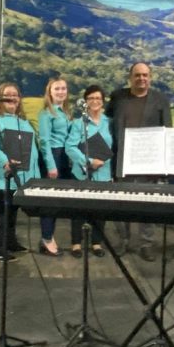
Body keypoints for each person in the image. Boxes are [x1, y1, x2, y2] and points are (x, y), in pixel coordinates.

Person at [106, 61, 172, 261]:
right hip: (121, 159)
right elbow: (106, 122)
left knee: (147, 204)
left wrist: (164, 165)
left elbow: (167, 130)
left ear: (150, 78)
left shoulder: (161, 100)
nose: (141, 78)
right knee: (121, 204)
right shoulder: (118, 97)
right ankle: (123, 240)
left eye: (145, 75)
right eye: (137, 75)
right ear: (130, 78)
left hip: (149, 162)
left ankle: (146, 244)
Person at [0, 82, 40, 261]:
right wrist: (4, 161)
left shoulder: (22, 121)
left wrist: (33, 177)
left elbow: (31, 151)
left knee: (11, 210)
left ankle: (9, 242)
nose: (11, 98)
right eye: (7, 95)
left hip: (17, 177)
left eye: (15, 95)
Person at [65, 84, 113, 258]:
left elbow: (116, 146)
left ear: (103, 101)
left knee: (100, 211)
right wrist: (89, 162)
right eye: (91, 98)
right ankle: (76, 243)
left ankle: (96, 242)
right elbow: (70, 147)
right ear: (85, 101)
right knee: (78, 209)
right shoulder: (79, 123)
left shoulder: (110, 123)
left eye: (98, 98)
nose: (94, 101)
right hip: (82, 173)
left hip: (105, 173)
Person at [37, 77, 71, 256]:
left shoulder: (65, 112)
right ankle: (46, 238)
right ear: (49, 92)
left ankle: (49, 236)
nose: (60, 92)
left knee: (56, 201)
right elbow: (44, 141)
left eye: (63, 88)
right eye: (57, 88)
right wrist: (51, 165)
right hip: (53, 157)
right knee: (49, 201)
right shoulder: (46, 114)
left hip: (64, 157)